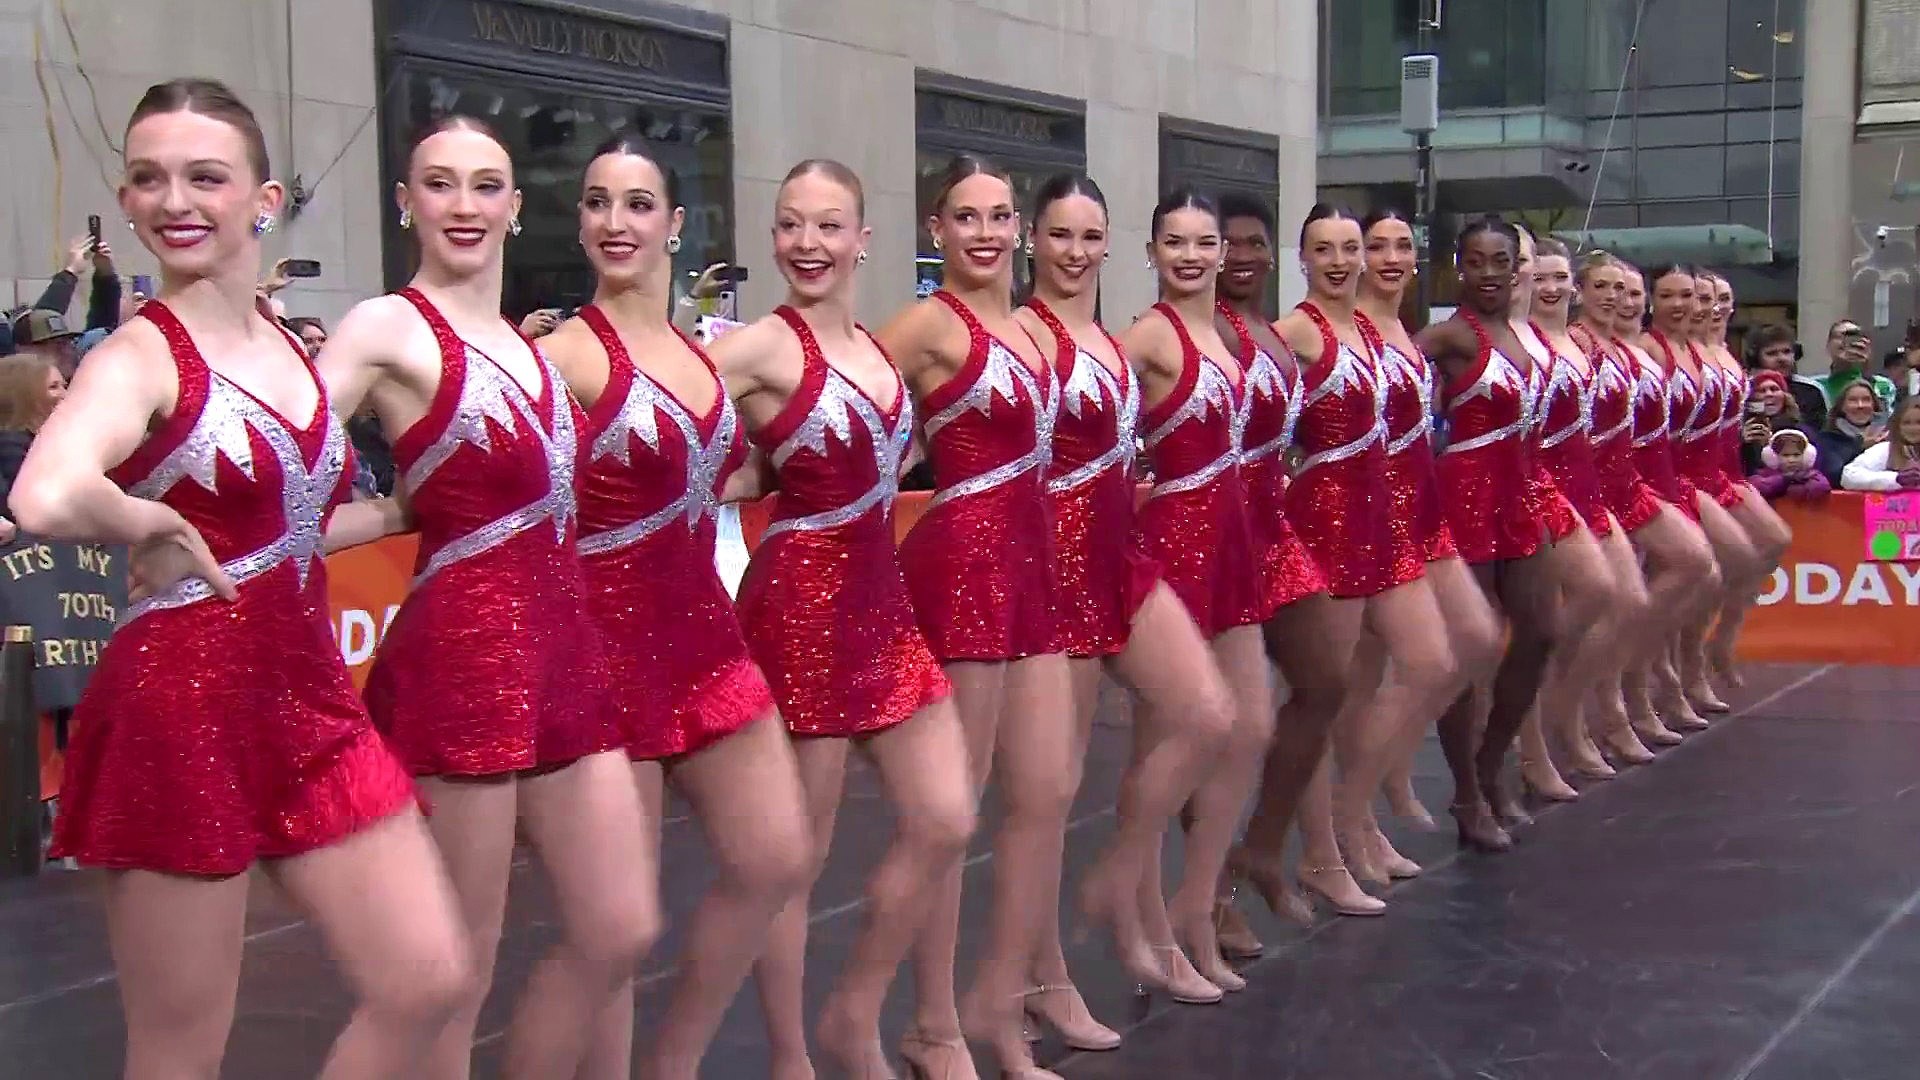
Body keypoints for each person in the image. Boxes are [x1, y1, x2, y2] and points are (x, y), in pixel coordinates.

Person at [9, 76, 468, 1079]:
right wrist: (146, 516)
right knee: (180, 1049)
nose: (175, 200)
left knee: (427, 975)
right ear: (126, 203)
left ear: (263, 201)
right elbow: (44, 495)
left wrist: (400, 513)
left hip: (308, 701)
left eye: (204, 177)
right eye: (149, 179)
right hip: (180, 706)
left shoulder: (295, 356)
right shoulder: (136, 358)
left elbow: (286, 528)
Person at [318, 114, 656, 1079]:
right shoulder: (387, 326)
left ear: (514, 206)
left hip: (562, 657)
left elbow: (443, 493)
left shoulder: (524, 345)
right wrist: (183, 529)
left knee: (619, 925)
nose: (463, 206)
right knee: (453, 974)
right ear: (405, 202)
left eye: (484, 185)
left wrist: (394, 511)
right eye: (439, 184)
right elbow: (283, 452)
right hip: (465, 664)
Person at [538, 135, 812, 1080]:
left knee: (777, 856)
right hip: (604, 642)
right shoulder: (562, 355)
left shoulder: (709, 357)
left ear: (676, 225)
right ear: (579, 221)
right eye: (598, 202)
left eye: (639, 203)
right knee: (620, 921)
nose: (617, 223)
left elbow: (724, 468)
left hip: (703, 630)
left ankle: (674, 1061)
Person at [710, 159, 974, 1080]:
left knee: (945, 815)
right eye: (791, 226)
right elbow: (660, 419)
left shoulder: (875, 344)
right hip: (801, 602)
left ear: (864, 239)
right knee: (798, 857)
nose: (808, 245)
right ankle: (794, 1059)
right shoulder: (755, 348)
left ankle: (854, 1010)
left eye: (829, 227)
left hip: (879, 597)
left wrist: (760, 469)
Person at [1014, 172, 1233, 1027]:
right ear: (1035, 240)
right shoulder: (1023, 335)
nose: (1074, 252)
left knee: (1207, 714)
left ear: (1109, 246)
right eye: (1060, 235)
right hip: (1051, 574)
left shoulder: (1108, 339)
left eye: (1088, 236)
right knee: (1051, 788)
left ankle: (1117, 879)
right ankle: (1041, 978)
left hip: (1118, 556)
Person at [877, 154, 1079, 1079]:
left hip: (1035, 569)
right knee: (953, 814)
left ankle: (999, 1005)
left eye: (1001, 216)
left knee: (1045, 793)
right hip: (963, 569)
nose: (988, 233)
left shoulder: (1034, 328)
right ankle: (931, 1025)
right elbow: (839, 395)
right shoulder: (928, 324)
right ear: (937, 230)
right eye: (968, 218)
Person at [1115, 187, 1279, 995]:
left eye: (1203, 242)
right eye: (1173, 242)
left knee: (1249, 729)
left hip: (1232, 545)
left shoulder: (1225, 335)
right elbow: (1093, 419)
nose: (1189, 255)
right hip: (1173, 546)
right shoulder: (1149, 334)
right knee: (1168, 738)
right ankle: (1145, 925)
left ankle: (1196, 905)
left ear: (1223, 253)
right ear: (1152, 253)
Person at [1414, 215, 1610, 849]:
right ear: (1458, 267)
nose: (1491, 273)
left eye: (1503, 260)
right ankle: (1468, 791)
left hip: (1521, 497)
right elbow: (1397, 394)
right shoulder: (1449, 336)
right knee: (1472, 651)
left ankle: (1492, 764)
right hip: (1465, 499)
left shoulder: (1524, 336)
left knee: (1542, 632)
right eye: (1478, 261)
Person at [1351, 208, 1503, 831]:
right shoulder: (1350, 327)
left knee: (1475, 641)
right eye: (1377, 246)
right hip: (1362, 514)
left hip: (1421, 507)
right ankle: (1349, 817)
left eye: (1402, 247)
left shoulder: (1404, 329)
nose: (1390, 258)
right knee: (1363, 680)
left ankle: (1381, 779)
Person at [1518, 238, 1643, 787]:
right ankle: (1537, 734)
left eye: (1558, 278)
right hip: (1539, 489)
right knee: (1584, 601)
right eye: (1539, 276)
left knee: (1626, 599)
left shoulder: (1579, 344)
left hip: (1586, 486)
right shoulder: (1521, 344)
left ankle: (1564, 714)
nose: (1550, 287)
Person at [1745, 322, 1826, 427]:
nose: (1782, 359)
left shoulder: (1810, 390)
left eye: (1787, 352)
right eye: (1771, 353)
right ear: (1755, 358)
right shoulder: (1744, 390)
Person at [1740, 369, 1817, 475]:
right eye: (1761, 390)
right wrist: (1743, 444)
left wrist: (1771, 446)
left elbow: (1815, 468)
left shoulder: (1801, 431)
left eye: (1774, 389)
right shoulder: (1738, 430)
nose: (1769, 394)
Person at [1840, 395, 1920, 491]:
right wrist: (1895, 479)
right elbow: (1848, 476)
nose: (1913, 428)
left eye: (1919, 422)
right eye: (1906, 423)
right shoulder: (1885, 449)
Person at [1817, 319, 1897, 414]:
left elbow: (1883, 420)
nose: (1847, 341)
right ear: (1828, 345)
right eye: (1841, 336)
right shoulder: (1815, 386)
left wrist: (1865, 368)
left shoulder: (1882, 385)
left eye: (1854, 336)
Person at [1815, 378, 1886, 486]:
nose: (1860, 405)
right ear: (1842, 407)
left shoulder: (1891, 435)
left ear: (1874, 405)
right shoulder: (1828, 438)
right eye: (1853, 400)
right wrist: (1860, 446)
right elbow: (1833, 474)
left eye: (1866, 400)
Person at [1749, 429, 1830, 503]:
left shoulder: (1811, 474)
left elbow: (1822, 487)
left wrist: (1798, 484)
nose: (1791, 460)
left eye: (1796, 455)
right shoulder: (1764, 473)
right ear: (1773, 457)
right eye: (1786, 455)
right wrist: (1785, 480)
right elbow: (1757, 487)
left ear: (1806, 456)